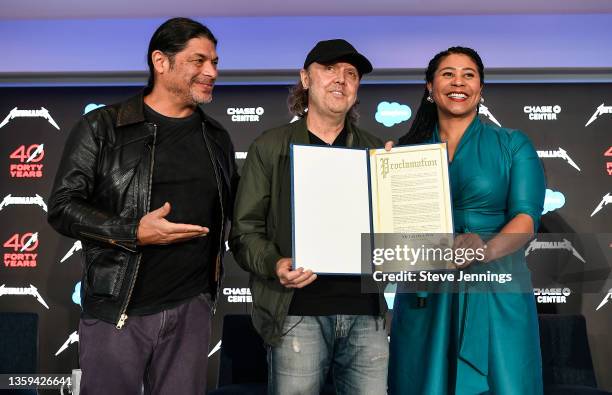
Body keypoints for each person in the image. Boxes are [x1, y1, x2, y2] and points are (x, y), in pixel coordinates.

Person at [47, 17, 238, 395]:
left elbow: (237, 215)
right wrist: (133, 232)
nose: (211, 72)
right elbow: (63, 207)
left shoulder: (216, 136)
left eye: (215, 62)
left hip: (191, 310)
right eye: (198, 61)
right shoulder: (103, 127)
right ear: (160, 61)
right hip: (118, 308)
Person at [230, 39, 389, 395]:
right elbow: (244, 231)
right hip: (296, 314)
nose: (341, 80)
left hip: (367, 315)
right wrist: (275, 263)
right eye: (329, 69)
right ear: (305, 79)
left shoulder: (378, 151)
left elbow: (396, 234)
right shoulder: (270, 147)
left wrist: (398, 183)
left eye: (351, 73)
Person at [389, 47, 545, 394]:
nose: (458, 81)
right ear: (429, 86)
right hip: (426, 290)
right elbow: (393, 231)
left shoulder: (513, 144)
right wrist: (385, 174)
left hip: (495, 288)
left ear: (481, 88)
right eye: (447, 73)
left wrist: (483, 250)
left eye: (469, 74)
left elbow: (525, 218)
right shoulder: (404, 152)